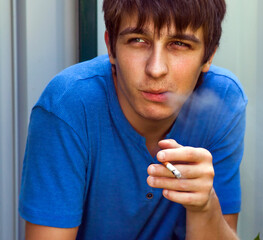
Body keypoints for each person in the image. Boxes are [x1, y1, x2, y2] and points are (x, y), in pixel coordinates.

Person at [19, 0, 247, 239]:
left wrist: (204, 205)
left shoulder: (222, 100)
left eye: (179, 44)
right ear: (111, 48)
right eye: (138, 40)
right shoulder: (69, 105)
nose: (156, 69)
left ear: (208, 56)